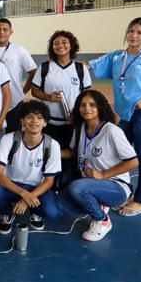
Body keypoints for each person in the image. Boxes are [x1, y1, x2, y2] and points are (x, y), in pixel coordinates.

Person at [87, 17, 141, 216]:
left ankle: (140, 201)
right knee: (117, 156)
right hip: (125, 117)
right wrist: (62, 59)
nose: (134, 36)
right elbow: (88, 66)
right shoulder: (116, 57)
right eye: (131, 31)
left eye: (139, 33)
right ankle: (124, 193)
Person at [58, 90, 139, 241]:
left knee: (77, 187)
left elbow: (133, 161)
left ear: (100, 107)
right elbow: (72, 152)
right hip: (91, 183)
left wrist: (103, 175)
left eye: (92, 105)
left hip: (116, 186)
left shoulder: (111, 130)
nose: (86, 108)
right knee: (60, 206)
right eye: (82, 105)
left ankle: (103, 221)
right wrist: (48, 150)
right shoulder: (79, 128)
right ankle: (99, 202)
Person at [0, 101, 61, 234]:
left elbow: (49, 181)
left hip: (36, 188)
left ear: (45, 123)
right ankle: (6, 214)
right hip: (11, 185)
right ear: (22, 121)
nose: (34, 121)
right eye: (29, 117)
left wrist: (27, 199)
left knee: (52, 212)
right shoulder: (9, 139)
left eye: (39, 118)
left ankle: (34, 211)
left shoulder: (52, 145)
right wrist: (24, 194)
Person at [31, 30, 91, 189]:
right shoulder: (45, 67)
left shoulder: (80, 69)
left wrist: (77, 112)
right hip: (49, 122)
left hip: (72, 122)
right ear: (52, 47)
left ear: (71, 45)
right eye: (56, 43)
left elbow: (87, 96)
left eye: (64, 42)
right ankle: (50, 186)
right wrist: (49, 97)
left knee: (73, 155)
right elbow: (34, 91)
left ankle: (72, 186)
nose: (60, 45)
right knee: (49, 154)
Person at [0, 18, 37, 133]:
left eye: (5, 30)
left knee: (13, 136)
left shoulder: (19, 50)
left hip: (15, 102)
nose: (1, 32)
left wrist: (23, 91)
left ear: (11, 32)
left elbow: (33, 72)